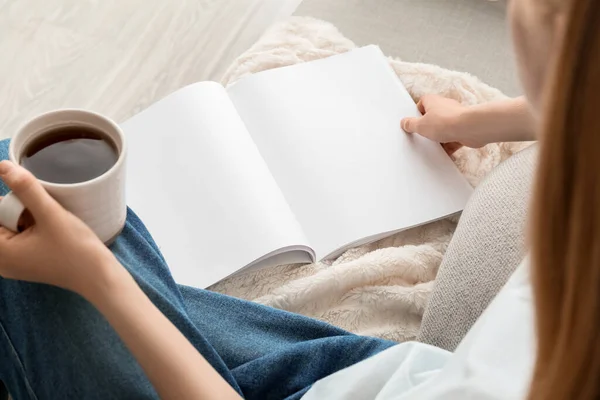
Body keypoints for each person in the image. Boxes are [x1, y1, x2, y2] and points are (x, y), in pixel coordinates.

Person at [0, 0, 597, 398]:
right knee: (45, 206)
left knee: (27, 201)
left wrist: (95, 277)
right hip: (358, 373)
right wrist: (477, 120)